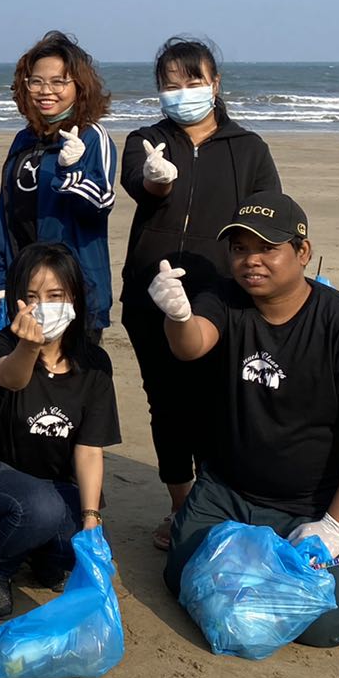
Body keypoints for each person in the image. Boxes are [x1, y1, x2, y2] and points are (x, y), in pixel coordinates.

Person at [153, 192, 339, 648]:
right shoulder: (225, 300)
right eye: (239, 249)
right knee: (183, 577)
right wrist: (177, 315)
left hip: (313, 503)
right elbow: (191, 344)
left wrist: (336, 527)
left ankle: (307, 544)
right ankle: (239, 542)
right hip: (229, 491)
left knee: (325, 628)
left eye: (267, 248)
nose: (251, 260)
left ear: (302, 252)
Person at [120, 37, 281, 550]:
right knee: (165, 402)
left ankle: (217, 501)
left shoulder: (248, 147)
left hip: (222, 297)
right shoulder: (145, 139)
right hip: (153, 293)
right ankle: (180, 505)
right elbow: (143, 188)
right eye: (171, 84)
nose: (183, 92)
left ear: (215, 84)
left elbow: (266, 218)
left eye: (194, 82)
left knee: (220, 401)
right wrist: (157, 178)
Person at [0, 242, 120, 618]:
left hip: (56, 483)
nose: (43, 305)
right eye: (31, 296)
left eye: (55, 294)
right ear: (15, 301)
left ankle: (43, 551)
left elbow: (90, 448)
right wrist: (29, 348)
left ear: (74, 297)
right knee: (40, 508)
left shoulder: (95, 363)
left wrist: (91, 521)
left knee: (80, 546)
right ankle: (0, 569)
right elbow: (9, 379)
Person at [0, 31, 118, 338]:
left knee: (74, 382)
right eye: (37, 81)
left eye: (59, 82)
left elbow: (99, 207)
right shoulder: (23, 139)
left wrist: (72, 171)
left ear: (79, 87)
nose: (47, 91)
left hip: (74, 293)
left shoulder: (92, 137)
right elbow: (7, 212)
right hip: (25, 290)